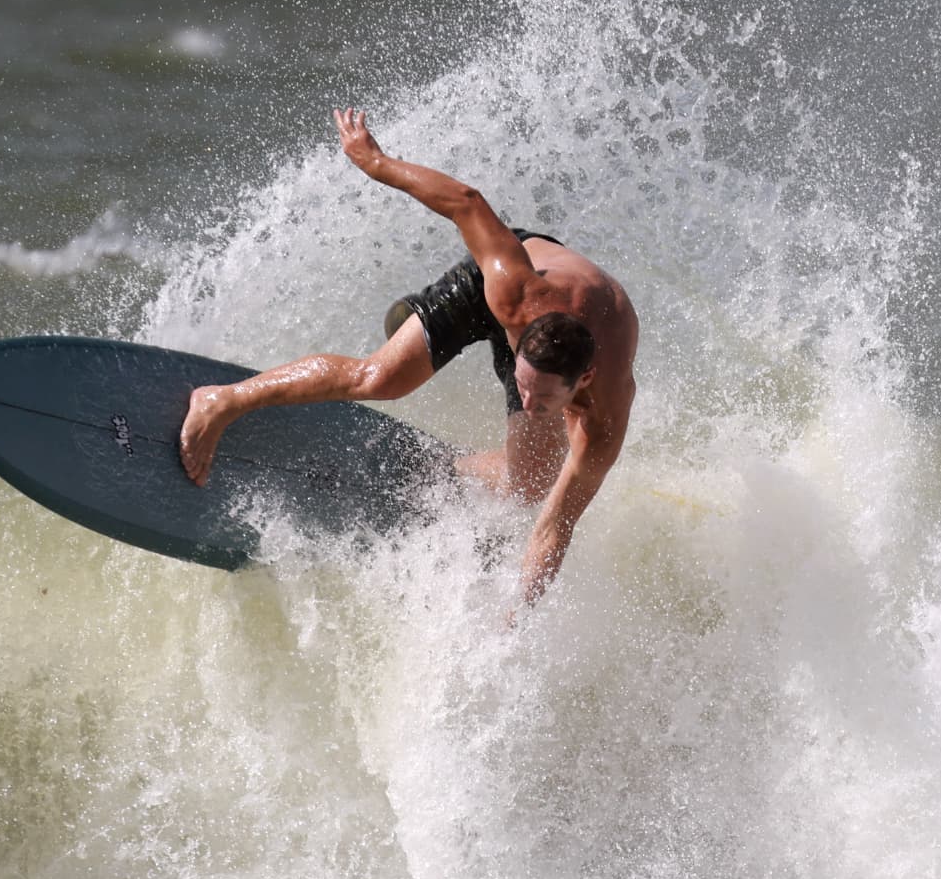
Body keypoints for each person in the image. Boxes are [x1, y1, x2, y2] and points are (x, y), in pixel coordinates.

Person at [178, 108, 638, 609]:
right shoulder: (514, 288)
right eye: (521, 387)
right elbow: (467, 204)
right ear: (521, 349)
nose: (527, 402)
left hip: (552, 343)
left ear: (585, 380)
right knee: (381, 378)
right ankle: (223, 400)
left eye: (544, 399)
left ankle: (447, 469)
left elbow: (557, 525)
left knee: (530, 484)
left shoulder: (606, 417)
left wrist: (517, 617)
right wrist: (376, 162)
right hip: (499, 294)